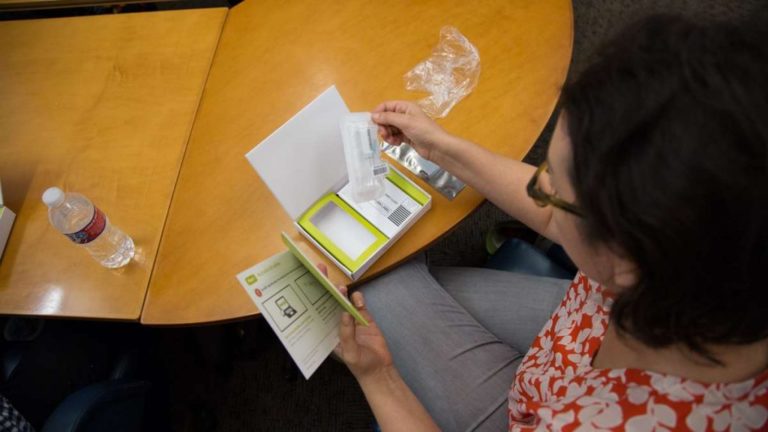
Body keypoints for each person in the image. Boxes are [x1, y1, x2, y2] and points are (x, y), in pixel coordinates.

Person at [329, 15, 768, 431]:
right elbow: (564, 219)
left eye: (552, 187)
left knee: (378, 282)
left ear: (627, 257)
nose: (537, 185)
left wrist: (377, 376)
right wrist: (441, 148)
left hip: (540, 413)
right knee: (393, 276)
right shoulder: (704, 248)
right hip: (575, 338)